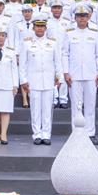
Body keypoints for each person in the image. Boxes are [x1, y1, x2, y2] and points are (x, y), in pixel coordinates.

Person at [63, 5, 98, 145]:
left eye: (84, 16)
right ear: (75, 17)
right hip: (74, 75)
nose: (82, 18)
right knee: (75, 105)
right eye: (79, 16)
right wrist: (66, 72)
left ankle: (90, 133)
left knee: (90, 105)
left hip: (91, 74)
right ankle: (76, 134)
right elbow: (65, 53)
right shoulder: (69, 33)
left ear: (89, 17)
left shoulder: (95, 33)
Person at [20, 14, 62, 145]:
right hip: (33, 81)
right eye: (37, 26)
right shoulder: (27, 43)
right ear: (33, 27)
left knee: (47, 109)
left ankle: (46, 134)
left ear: (45, 28)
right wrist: (23, 80)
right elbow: (22, 64)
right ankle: (37, 134)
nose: (40, 29)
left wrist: (59, 77)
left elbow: (58, 61)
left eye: (42, 26)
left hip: (49, 80)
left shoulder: (52, 42)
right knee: (35, 109)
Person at [47, 0, 71, 109]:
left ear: (62, 9)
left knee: (64, 74)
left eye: (59, 8)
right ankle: (53, 98)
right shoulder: (47, 22)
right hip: (51, 52)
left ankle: (63, 99)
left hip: (63, 52)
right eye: (54, 8)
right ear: (51, 9)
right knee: (52, 75)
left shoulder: (67, 22)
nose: (57, 10)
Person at [12, 4, 35, 108]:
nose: (27, 13)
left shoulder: (36, 24)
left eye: (29, 11)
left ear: (31, 12)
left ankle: (31, 96)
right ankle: (25, 99)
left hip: (32, 52)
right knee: (22, 74)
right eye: (25, 12)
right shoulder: (18, 25)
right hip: (21, 52)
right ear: (22, 13)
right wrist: (16, 54)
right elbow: (16, 40)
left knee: (30, 74)